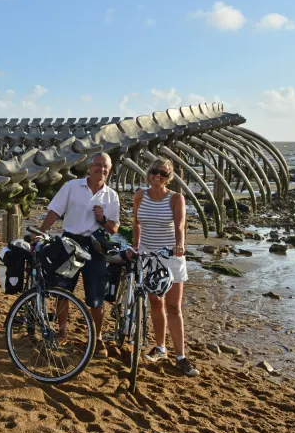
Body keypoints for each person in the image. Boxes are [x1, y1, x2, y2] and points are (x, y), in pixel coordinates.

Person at [39, 152, 120, 358]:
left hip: (95, 247)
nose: (101, 170)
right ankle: (62, 332)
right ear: (90, 167)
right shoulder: (72, 187)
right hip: (70, 243)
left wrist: (102, 219)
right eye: (98, 165)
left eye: (105, 167)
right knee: (62, 290)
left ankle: (98, 337)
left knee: (96, 296)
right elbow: (55, 211)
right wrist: (41, 232)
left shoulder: (111, 195)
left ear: (109, 171)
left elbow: (114, 228)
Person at [133, 157, 200, 377]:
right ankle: (160, 347)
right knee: (155, 302)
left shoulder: (175, 198)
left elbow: (180, 224)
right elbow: (136, 222)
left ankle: (180, 356)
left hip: (170, 256)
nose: (157, 176)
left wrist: (179, 245)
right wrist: (135, 247)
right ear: (148, 172)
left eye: (163, 173)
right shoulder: (140, 195)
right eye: (154, 171)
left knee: (174, 307)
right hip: (148, 256)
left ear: (169, 176)